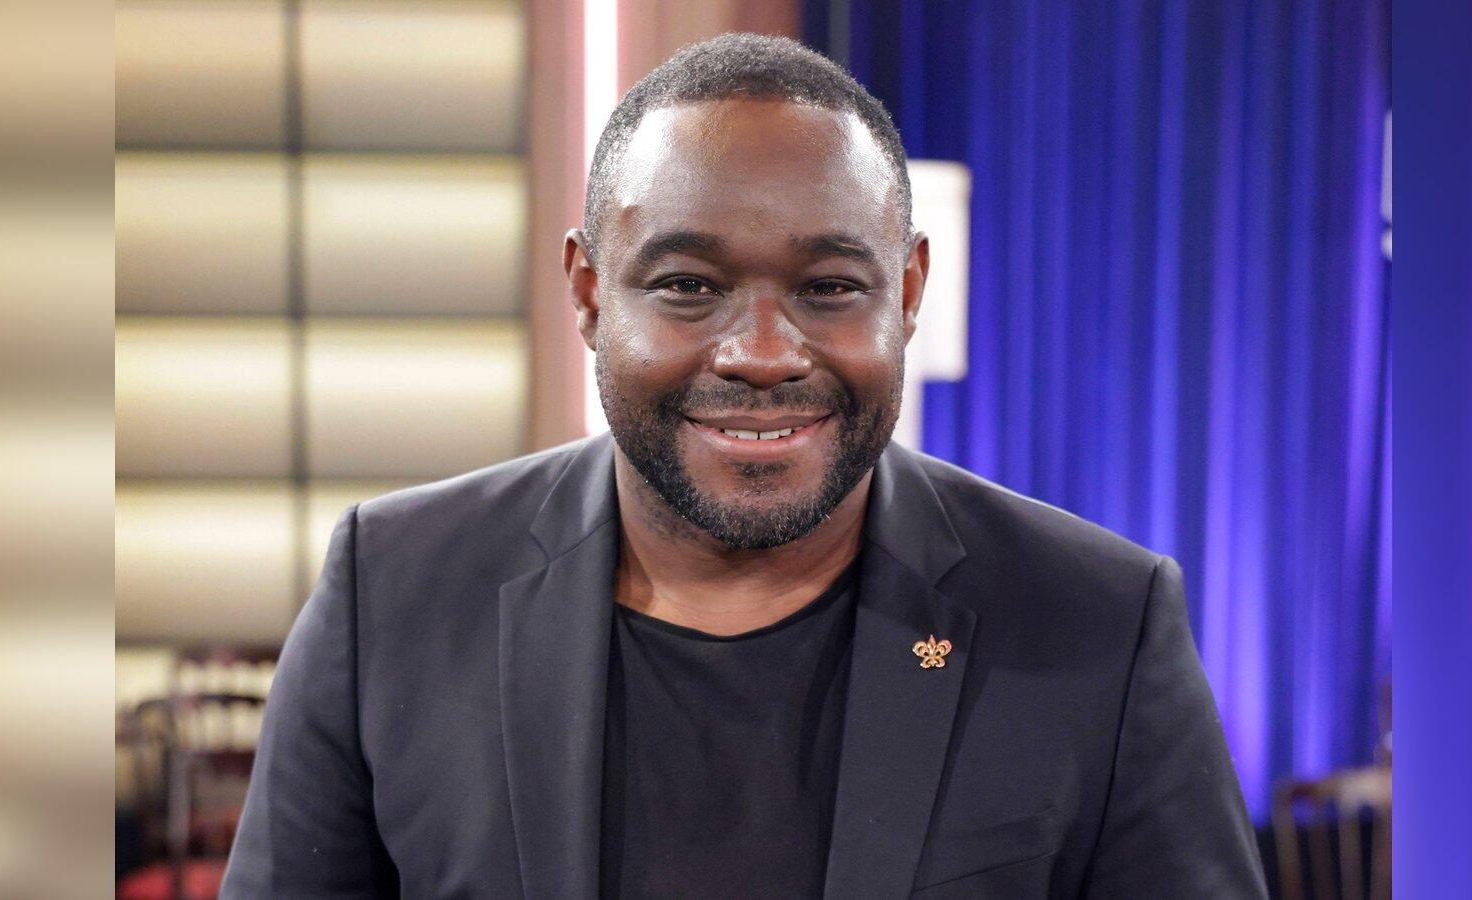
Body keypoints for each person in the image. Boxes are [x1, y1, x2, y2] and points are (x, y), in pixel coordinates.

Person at [222, 33, 1266, 899]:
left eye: (828, 288)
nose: (762, 353)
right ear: (587, 292)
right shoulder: (392, 592)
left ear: (907, 293)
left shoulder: (1098, 620)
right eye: (687, 285)